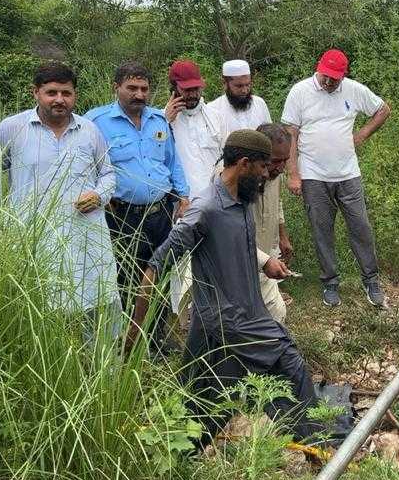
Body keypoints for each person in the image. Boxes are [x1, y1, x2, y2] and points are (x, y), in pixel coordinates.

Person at [133, 129, 320, 442]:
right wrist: (135, 329)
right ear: (245, 164)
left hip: (242, 316)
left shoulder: (242, 201)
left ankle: (184, 454)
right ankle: (321, 450)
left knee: (210, 402)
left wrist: (264, 265)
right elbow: (156, 264)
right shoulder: (205, 210)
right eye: (263, 167)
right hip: (229, 321)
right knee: (290, 366)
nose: (266, 175)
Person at [0, 62, 120, 338]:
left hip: (85, 236)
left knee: (96, 305)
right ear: (35, 92)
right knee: (36, 311)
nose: (60, 100)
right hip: (31, 237)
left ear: (75, 95)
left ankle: (99, 372)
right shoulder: (11, 129)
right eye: (52, 92)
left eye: (66, 93)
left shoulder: (89, 130)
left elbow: (108, 175)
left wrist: (98, 194)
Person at [86, 61, 190, 354]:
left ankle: (155, 338)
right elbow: (84, 164)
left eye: (144, 89)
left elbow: (172, 161)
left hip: (160, 214)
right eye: (132, 88)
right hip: (121, 217)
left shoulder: (159, 120)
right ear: (116, 87)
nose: (139, 94)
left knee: (160, 274)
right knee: (124, 279)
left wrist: (183, 196)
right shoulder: (95, 122)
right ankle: (124, 342)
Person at [281, 49, 391, 308]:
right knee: (322, 230)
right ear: (318, 68)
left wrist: (362, 135)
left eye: (336, 78)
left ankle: (371, 280)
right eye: (327, 77)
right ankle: (330, 282)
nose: (330, 82)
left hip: (348, 173)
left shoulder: (353, 89)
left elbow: (383, 110)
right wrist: (293, 173)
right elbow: (290, 134)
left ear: (344, 75)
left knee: (361, 227)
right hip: (313, 175)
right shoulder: (300, 92)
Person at [162, 60, 221, 317]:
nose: (192, 94)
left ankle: (216, 311)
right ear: (173, 88)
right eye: (186, 89)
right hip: (180, 204)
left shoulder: (214, 116)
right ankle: (183, 318)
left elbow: (223, 158)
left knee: (216, 257)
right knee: (182, 264)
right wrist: (166, 121)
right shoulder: (160, 119)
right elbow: (158, 157)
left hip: (214, 200)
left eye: (195, 88)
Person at [253, 123, 295, 322]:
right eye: (276, 161)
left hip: (265, 256)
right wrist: (264, 260)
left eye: (285, 160)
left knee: (276, 315)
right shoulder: (238, 179)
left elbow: (276, 203)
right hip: (239, 262)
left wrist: (283, 237)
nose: (281, 167)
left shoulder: (275, 173)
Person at [206, 59, 272, 136]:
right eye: (239, 86)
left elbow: (270, 136)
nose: (244, 90)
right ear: (224, 84)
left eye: (247, 85)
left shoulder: (259, 103)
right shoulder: (213, 109)